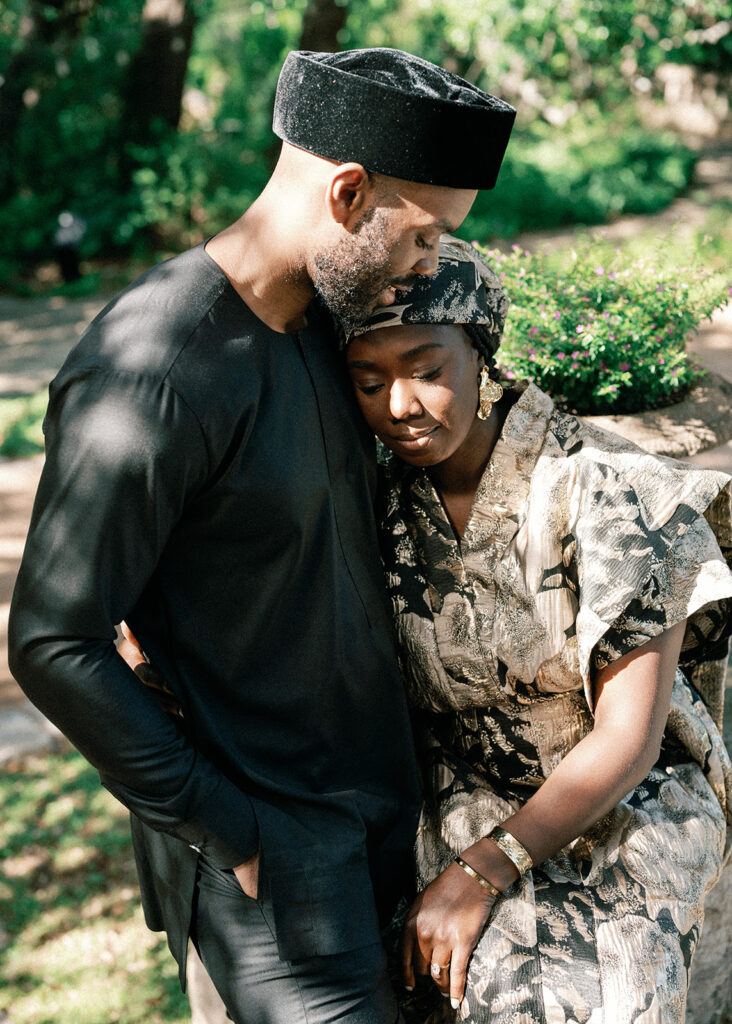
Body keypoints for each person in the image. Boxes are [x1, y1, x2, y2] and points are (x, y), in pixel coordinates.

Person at [7, 51, 516, 1024]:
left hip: (387, 815)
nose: (427, 266)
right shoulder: (153, 372)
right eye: (424, 236)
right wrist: (230, 827)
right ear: (350, 191)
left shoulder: (333, 326)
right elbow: (51, 640)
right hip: (276, 870)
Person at [343, 237, 732, 1024]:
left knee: (615, 997)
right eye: (369, 380)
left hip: (624, 800)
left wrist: (484, 870)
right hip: (461, 796)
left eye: (426, 369)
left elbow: (630, 739)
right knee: (468, 985)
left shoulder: (609, 490)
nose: (399, 405)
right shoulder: (373, 502)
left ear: (480, 359)